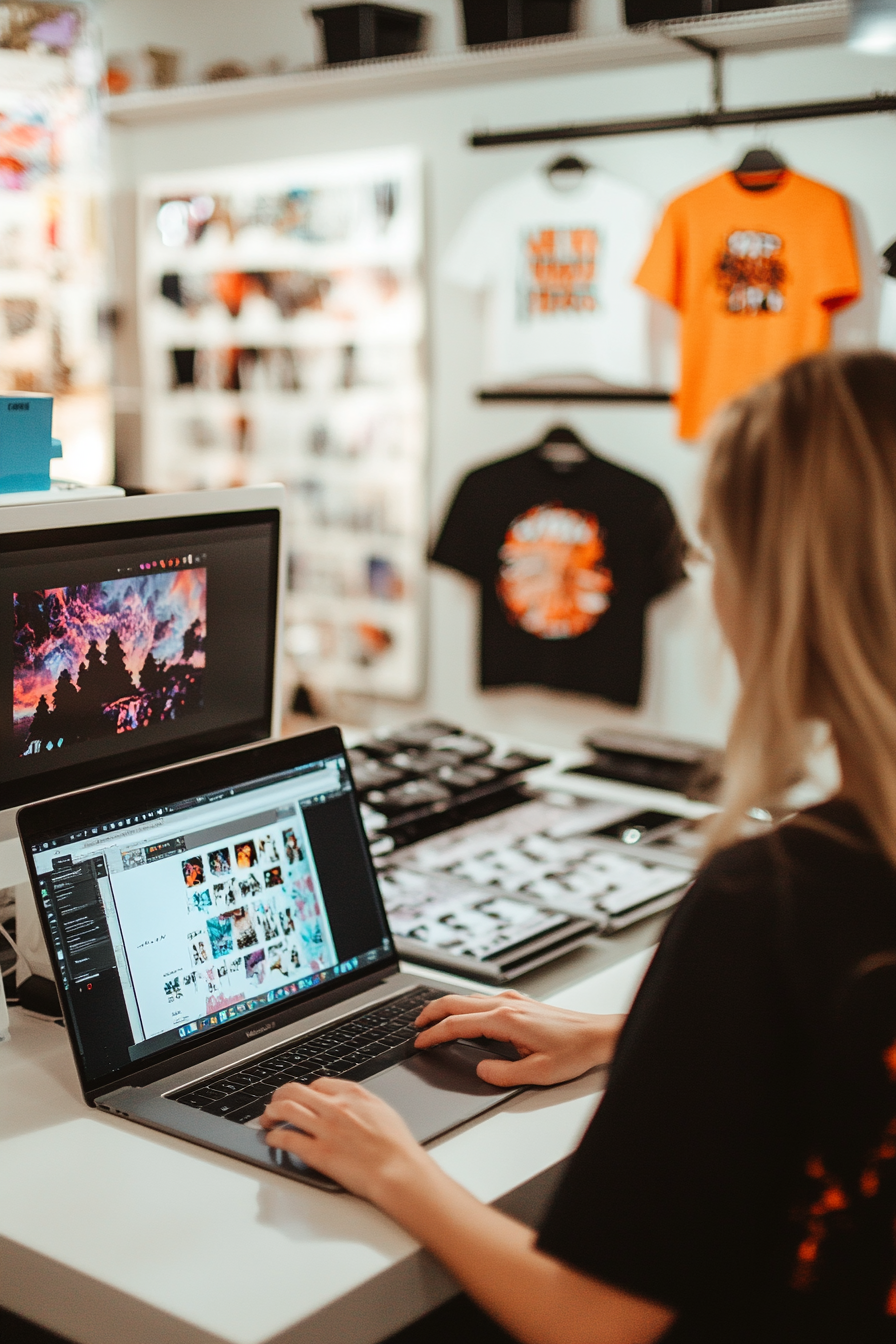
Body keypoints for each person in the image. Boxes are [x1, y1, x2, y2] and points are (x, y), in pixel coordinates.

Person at [262, 351, 896, 1344]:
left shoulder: (765, 902)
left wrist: (390, 1161)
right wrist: (629, 1036)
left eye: (717, 556)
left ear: (789, 595)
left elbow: (591, 1322)